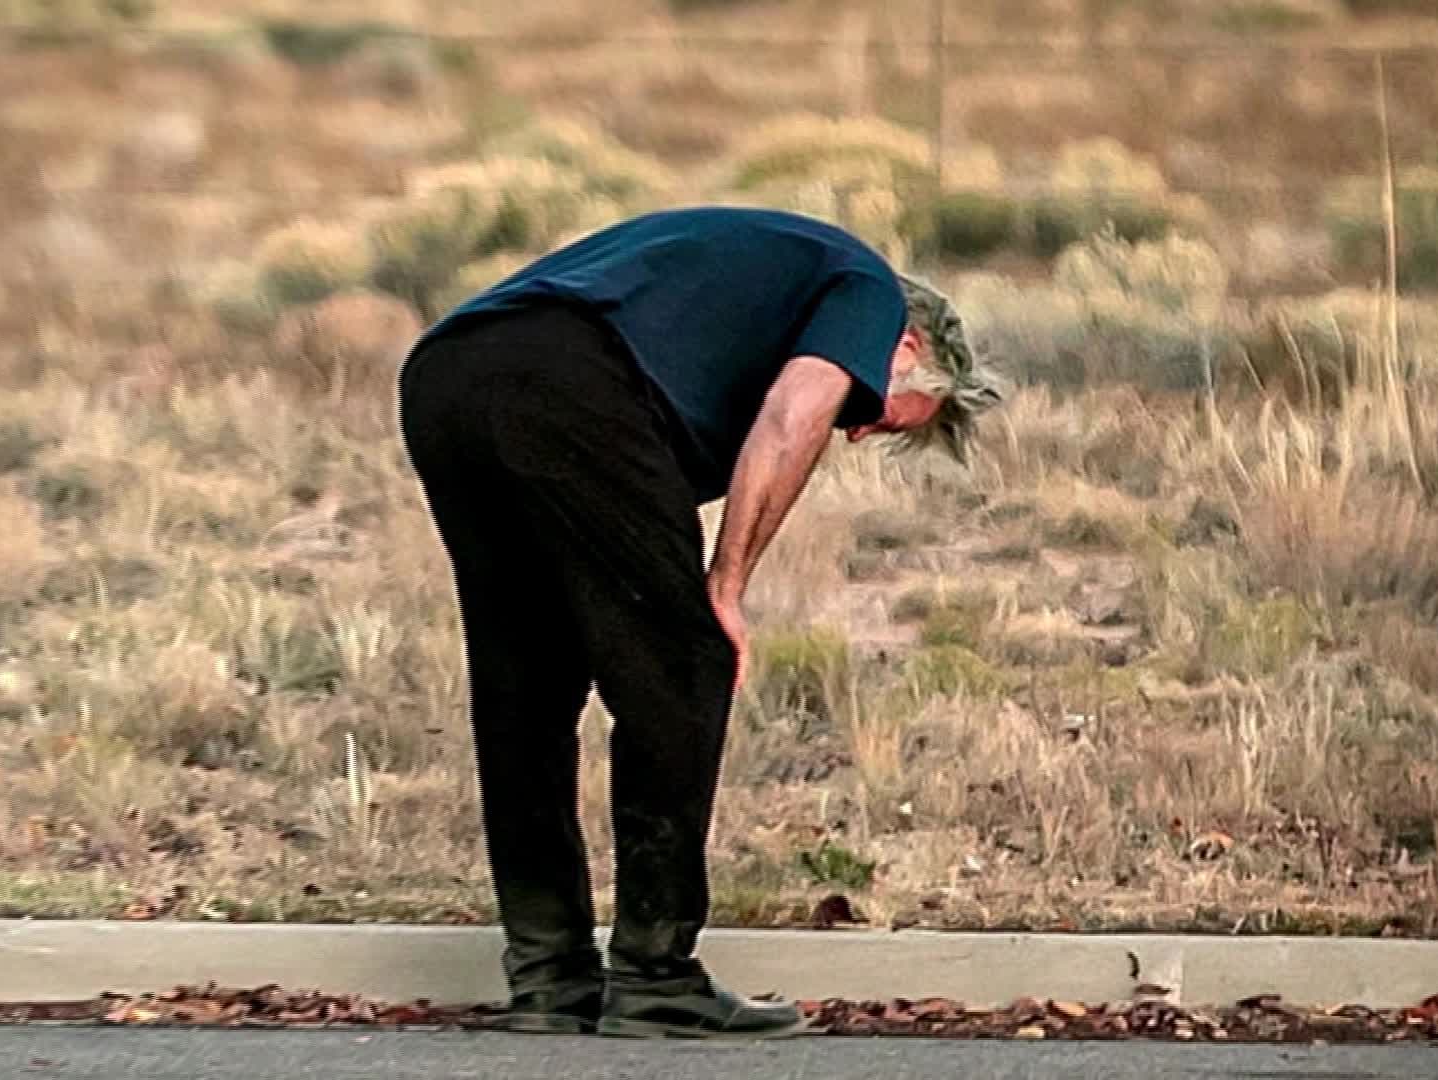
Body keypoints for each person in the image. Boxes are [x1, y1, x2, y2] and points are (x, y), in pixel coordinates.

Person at [395, 205, 1002, 1040]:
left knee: (526, 689)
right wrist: (727, 583)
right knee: (685, 665)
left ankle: (549, 979)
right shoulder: (868, 291)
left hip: (446, 376)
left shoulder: (757, 294)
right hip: (563, 376)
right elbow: (794, 416)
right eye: (879, 411)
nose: (856, 428)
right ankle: (654, 976)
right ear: (909, 348)